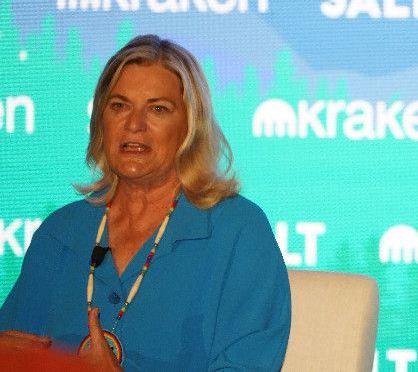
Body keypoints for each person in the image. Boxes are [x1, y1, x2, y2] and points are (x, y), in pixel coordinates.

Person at [0, 35, 291, 371]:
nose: (134, 125)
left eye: (157, 109)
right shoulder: (61, 232)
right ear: (101, 121)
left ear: (190, 126)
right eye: (119, 106)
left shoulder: (238, 232)